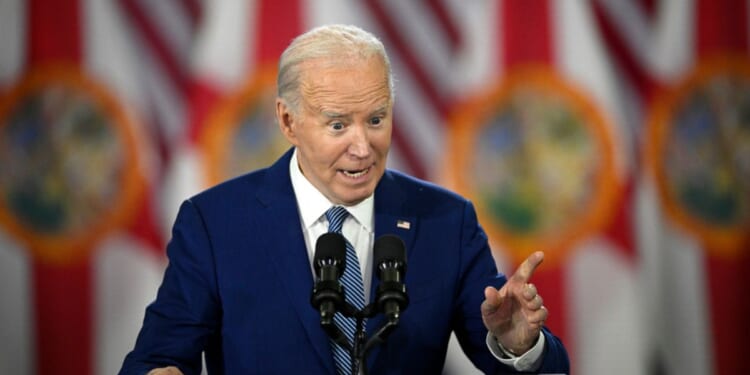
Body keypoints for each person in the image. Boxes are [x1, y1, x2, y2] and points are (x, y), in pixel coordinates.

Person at [120, 24, 569, 374]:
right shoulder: (215, 224)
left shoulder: (445, 221)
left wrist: (519, 346)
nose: (362, 146)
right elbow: (158, 355)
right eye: (338, 125)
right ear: (288, 121)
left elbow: (516, 362)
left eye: (376, 119)